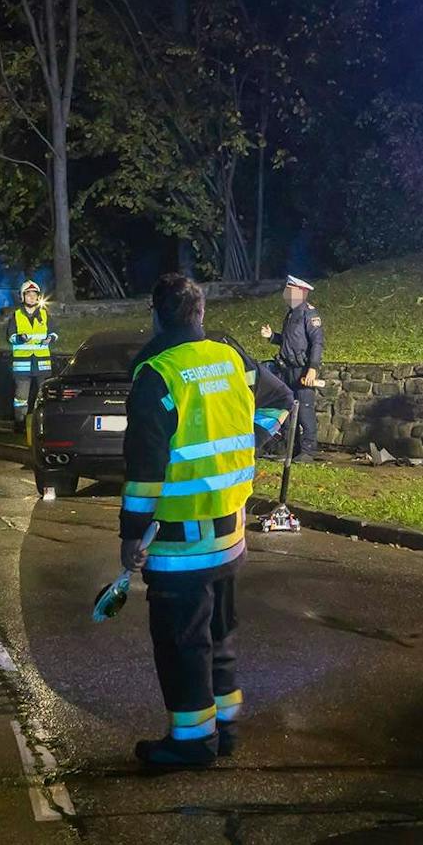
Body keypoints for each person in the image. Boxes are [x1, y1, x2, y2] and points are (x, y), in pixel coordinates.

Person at [120, 273, 293, 767]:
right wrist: (250, 446)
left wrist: (132, 537)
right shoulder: (229, 357)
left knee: (181, 643)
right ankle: (224, 726)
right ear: (199, 314)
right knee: (218, 634)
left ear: (155, 315)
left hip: (180, 545)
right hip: (230, 535)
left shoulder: (157, 374)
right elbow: (281, 401)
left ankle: (192, 741)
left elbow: (145, 475)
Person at [259, 274, 324, 463]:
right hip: (286, 369)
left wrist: (312, 368)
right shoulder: (291, 314)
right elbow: (289, 342)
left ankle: (308, 451)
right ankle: (289, 449)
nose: (287, 294)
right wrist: (272, 337)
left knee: (304, 409)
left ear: (301, 292)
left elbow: (317, 343)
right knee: (287, 409)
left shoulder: (309, 314)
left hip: (302, 369)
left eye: (291, 290)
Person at [6, 280, 57, 430]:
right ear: (23, 297)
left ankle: (42, 423)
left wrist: (51, 338)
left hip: (42, 364)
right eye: (28, 295)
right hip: (22, 365)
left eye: (34, 295)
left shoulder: (44, 314)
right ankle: (20, 423)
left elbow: (54, 332)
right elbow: (10, 337)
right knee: (21, 398)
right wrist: (20, 338)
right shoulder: (16, 316)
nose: (32, 298)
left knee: (43, 396)